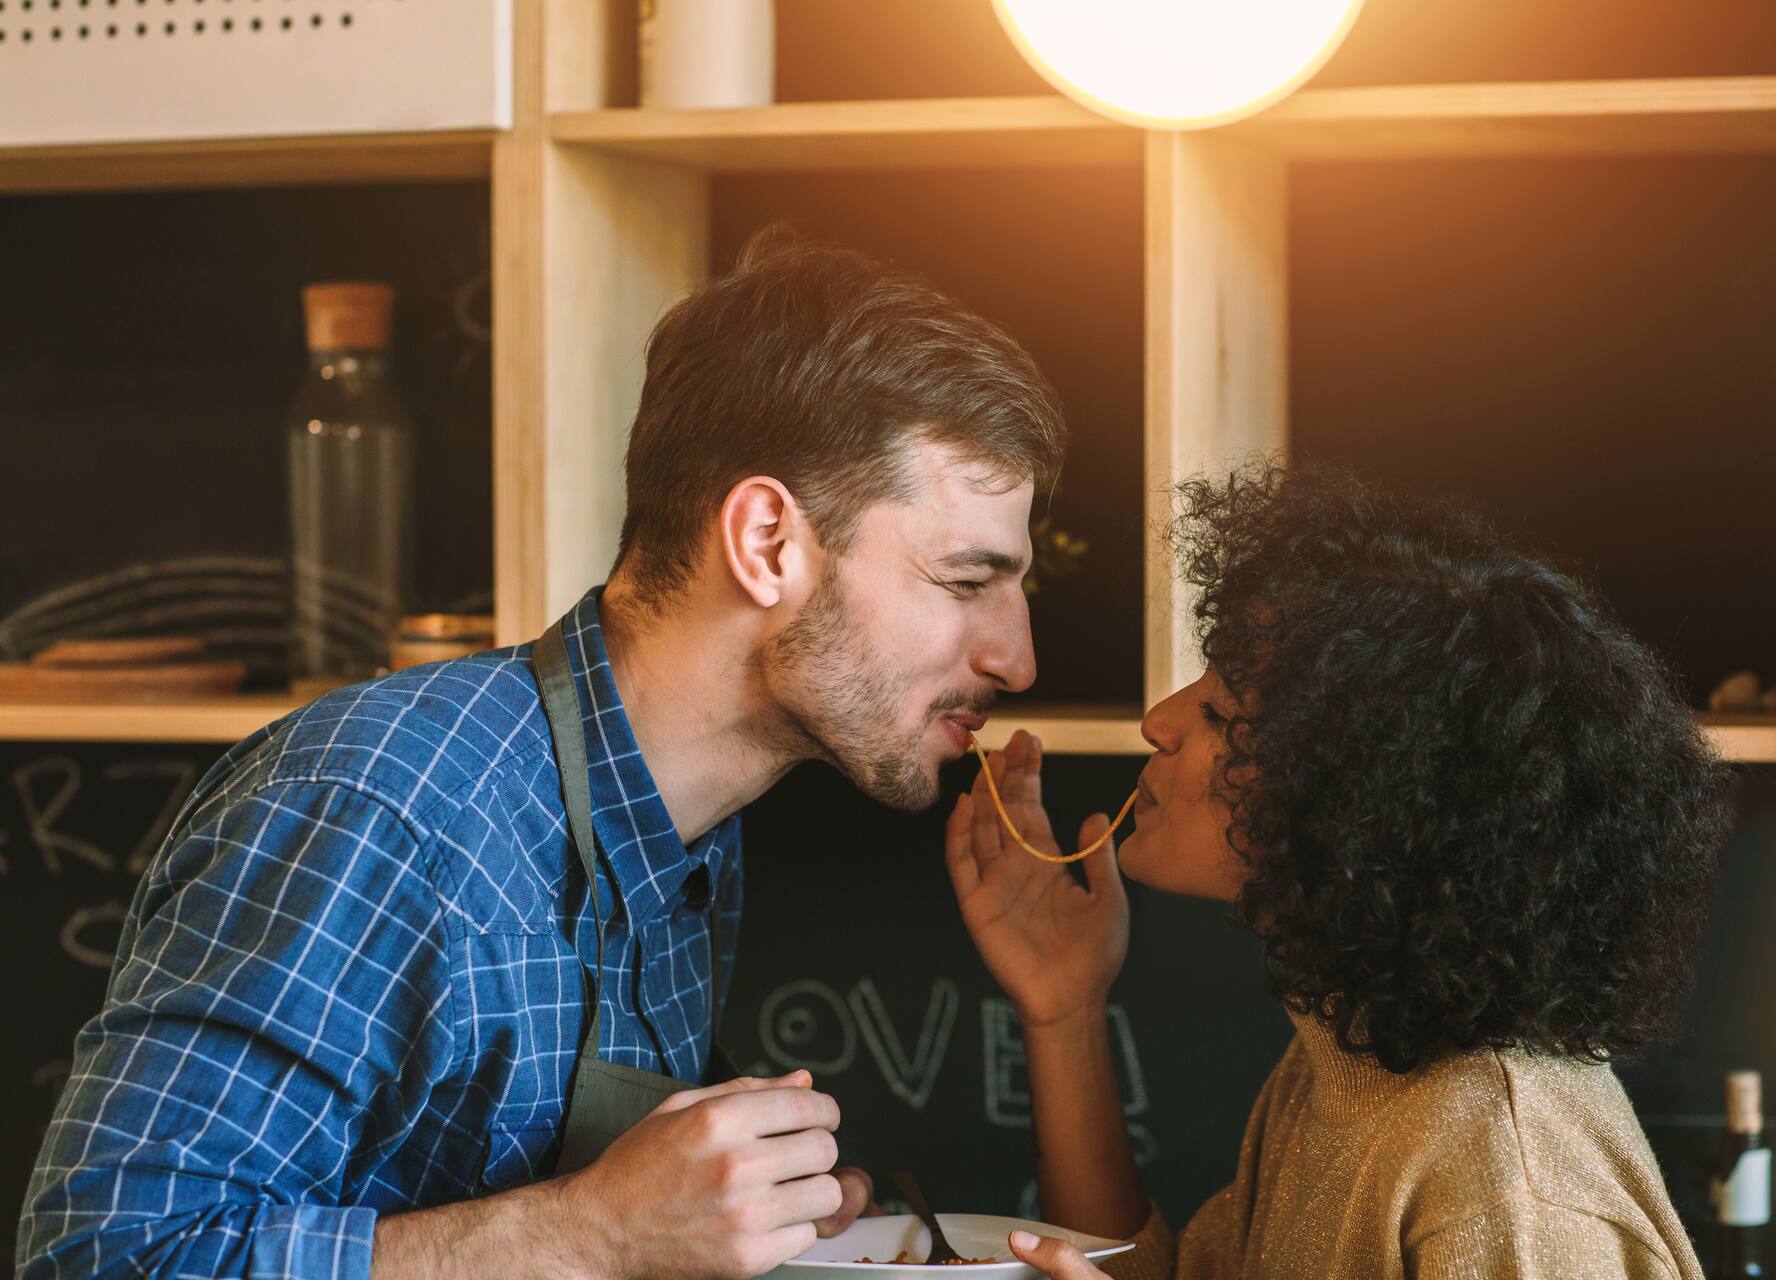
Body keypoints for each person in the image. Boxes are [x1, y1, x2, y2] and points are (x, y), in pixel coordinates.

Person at [18, 231, 1065, 1280]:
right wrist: (590, 1232)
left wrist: (760, 1216)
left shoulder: (691, 830)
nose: (1015, 658)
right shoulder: (377, 810)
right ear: (766, 544)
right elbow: (100, 1255)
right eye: (968, 580)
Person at [948, 462, 1733, 1279]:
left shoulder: (1508, 1185)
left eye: (1220, 712)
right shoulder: (1354, 1050)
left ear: (1357, 796)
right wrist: (1065, 1012)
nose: (1161, 722)